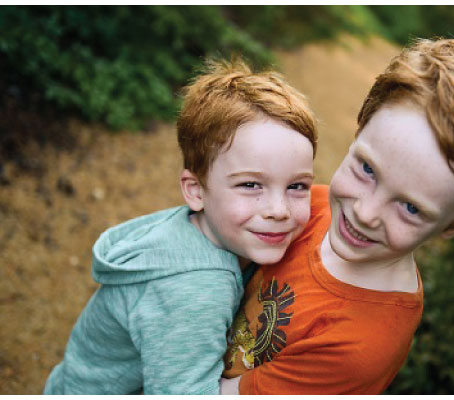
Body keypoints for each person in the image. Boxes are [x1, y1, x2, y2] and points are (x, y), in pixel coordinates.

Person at [218, 37, 454, 394]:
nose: (364, 212)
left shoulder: (359, 346)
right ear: (361, 127)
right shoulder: (312, 205)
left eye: (410, 207)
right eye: (368, 170)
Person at [43, 59, 318, 395]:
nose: (279, 211)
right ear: (196, 191)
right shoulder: (198, 289)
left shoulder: (190, 231)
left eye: (297, 186)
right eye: (250, 185)